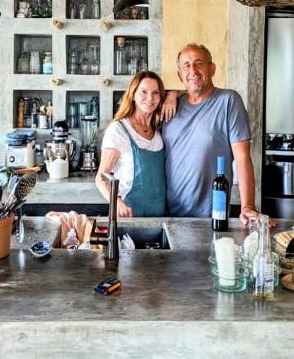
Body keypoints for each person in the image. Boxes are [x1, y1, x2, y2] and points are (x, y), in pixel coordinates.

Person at [161, 43, 258, 224]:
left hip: (211, 217)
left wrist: (248, 206)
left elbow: (243, 157)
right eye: (186, 66)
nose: (193, 70)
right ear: (179, 74)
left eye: (199, 63)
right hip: (169, 216)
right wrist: (172, 93)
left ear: (212, 69)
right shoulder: (170, 106)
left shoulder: (229, 101)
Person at [95, 71, 166, 218]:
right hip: (129, 215)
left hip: (160, 217)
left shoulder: (159, 130)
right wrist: (116, 201)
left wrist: (174, 95)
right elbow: (101, 177)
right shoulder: (119, 129)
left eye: (155, 93)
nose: (150, 98)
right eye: (143, 92)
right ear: (133, 95)